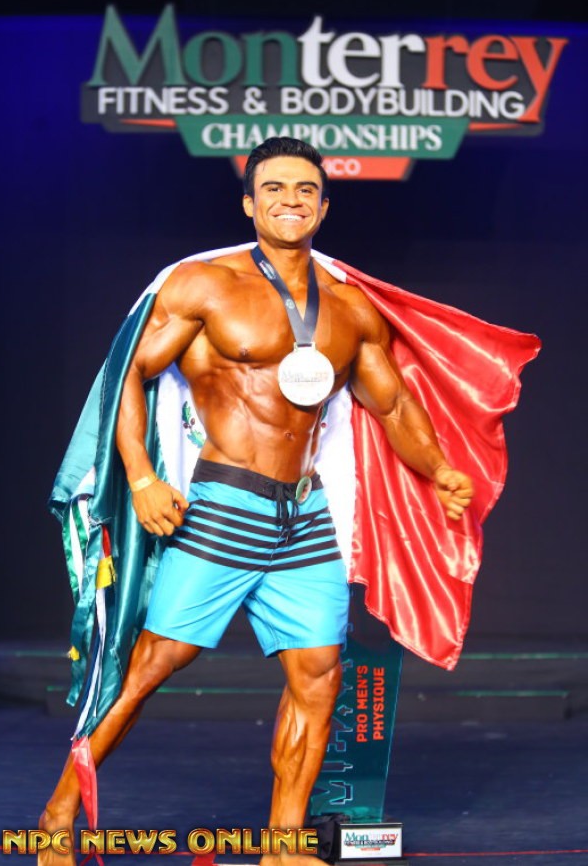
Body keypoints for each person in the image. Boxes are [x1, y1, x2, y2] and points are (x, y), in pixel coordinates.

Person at [39, 136, 535, 866]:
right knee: (149, 667)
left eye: (306, 190)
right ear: (249, 203)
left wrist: (438, 469)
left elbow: (393, 406)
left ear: (324, 207)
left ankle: (282, 844)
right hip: (223, 508)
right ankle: (57, 815)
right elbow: (128, 379)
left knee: (318, 679)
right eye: (274, 189)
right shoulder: (204, 287)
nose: (290, 201)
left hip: (305, 518)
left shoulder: (351, 309)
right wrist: (142, 477)